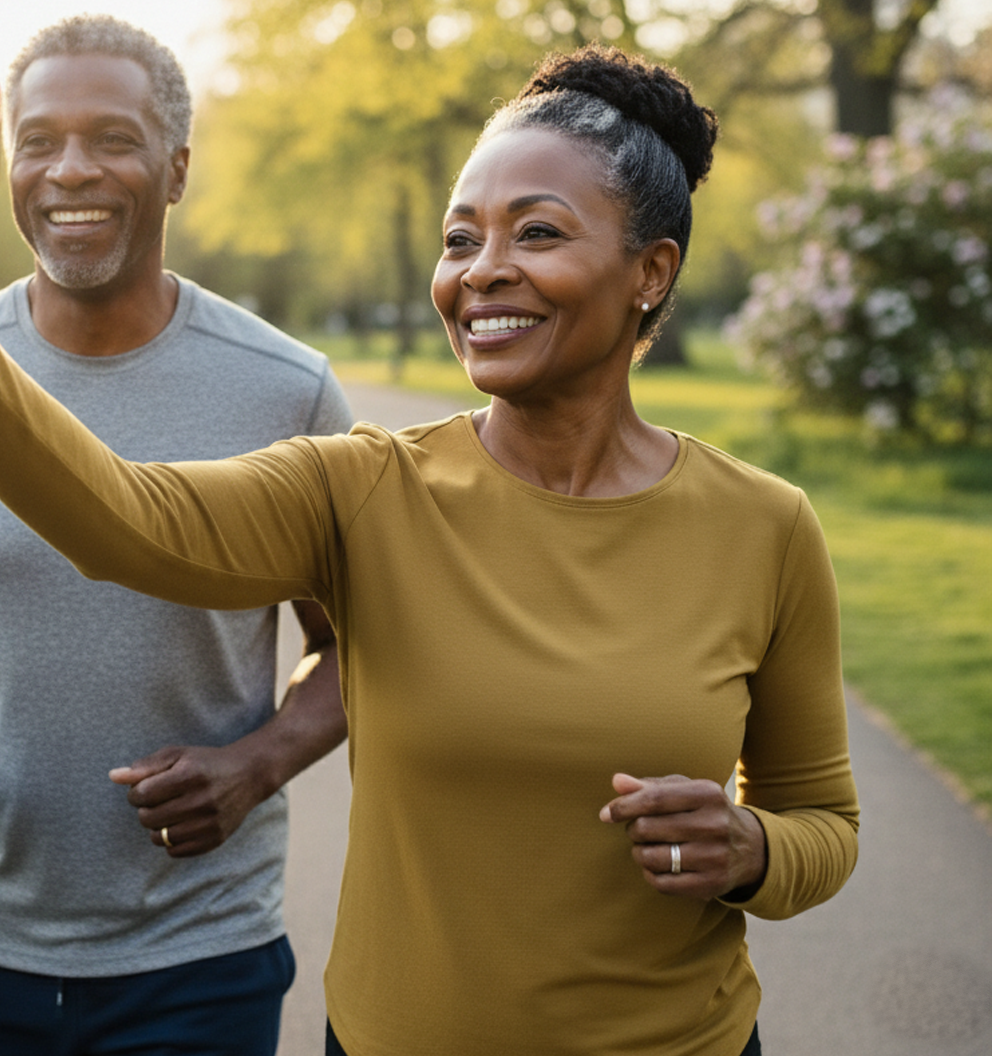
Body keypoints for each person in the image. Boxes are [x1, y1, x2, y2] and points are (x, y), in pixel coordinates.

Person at [0, 43, 859, 1056]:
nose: (483, 269)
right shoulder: (363, 489)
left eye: (535, 232)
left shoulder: (762, 527)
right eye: (461, 240)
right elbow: (125, 519)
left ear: (650, 272)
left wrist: (754, 848)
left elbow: (823, 824)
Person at [0, 15, 352, 1056]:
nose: (71, 169)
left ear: (175, 168)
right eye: (37, 140)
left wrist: (262, 760)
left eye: (112, 138)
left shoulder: (283, 391)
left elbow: (363, 641)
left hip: (197, 959)